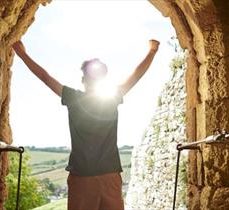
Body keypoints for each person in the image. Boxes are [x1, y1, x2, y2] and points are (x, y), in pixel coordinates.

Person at [13, 39, 160, 210]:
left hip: (82, 176)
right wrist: (152, 51)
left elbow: (45, 77)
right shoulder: (112, 98)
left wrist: (23, 54)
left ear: (83, 79)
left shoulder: (73, 98)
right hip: (109, 175)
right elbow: (136, 76)